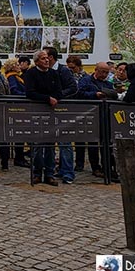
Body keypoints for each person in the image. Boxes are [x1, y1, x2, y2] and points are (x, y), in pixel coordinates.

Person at [24, 50, 61, 186]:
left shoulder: (53, 73)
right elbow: (30, 92)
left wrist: (55, 98)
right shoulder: (31, 73)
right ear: (37, 61)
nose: (47, 60)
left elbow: (58, 90)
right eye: (43, 58)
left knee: (51, 145)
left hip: (51, 113)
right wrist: (47, 98)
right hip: (36, 112)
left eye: (47, 58)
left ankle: (50, 173)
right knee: (38, 144)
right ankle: (37, 172)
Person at [75, 62, 118, 177]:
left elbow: (113, 96)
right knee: (92, 142)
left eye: (106, 72)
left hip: (104, 115)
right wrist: (95, 94)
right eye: (102, 71)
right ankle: (95, 167)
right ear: (96, 70)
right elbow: (80, 93)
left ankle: (108, 166)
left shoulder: (108, 84)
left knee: (106, 142)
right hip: (90, 114)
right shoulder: (85, 80)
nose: (104, 74)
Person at [44, 47, 77, 185]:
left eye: (45, 56)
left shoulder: (63, 71)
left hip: (63, 110)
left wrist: (58, 96)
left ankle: (68, 173)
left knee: (65, 142)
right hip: (49, 110)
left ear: (51, 57)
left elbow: (73, 88)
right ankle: (56, 169)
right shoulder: (45, 72)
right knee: (50, 142)